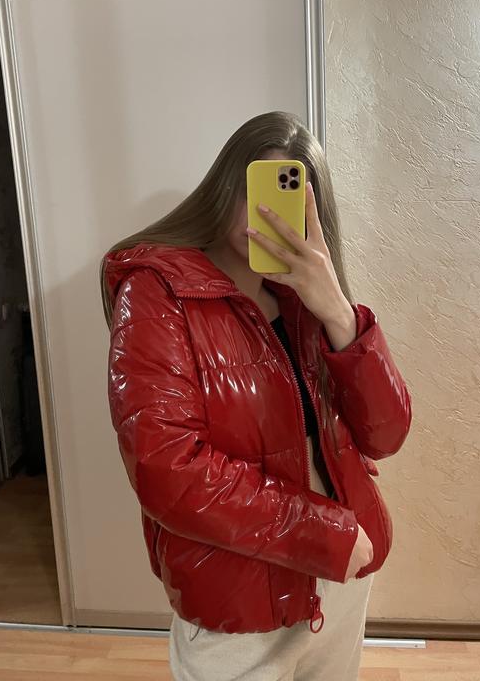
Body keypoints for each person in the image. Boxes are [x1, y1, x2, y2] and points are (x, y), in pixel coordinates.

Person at [99, 110, 412, 680]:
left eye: (286, 199)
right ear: (222, 188)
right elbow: (166, 470)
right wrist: (326, 535)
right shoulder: (155, 294)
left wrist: (340, 315)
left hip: (339, 582)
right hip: (238, 596)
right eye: (254, 190)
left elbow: (386, 436)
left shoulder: (307, 301)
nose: (264, 215)